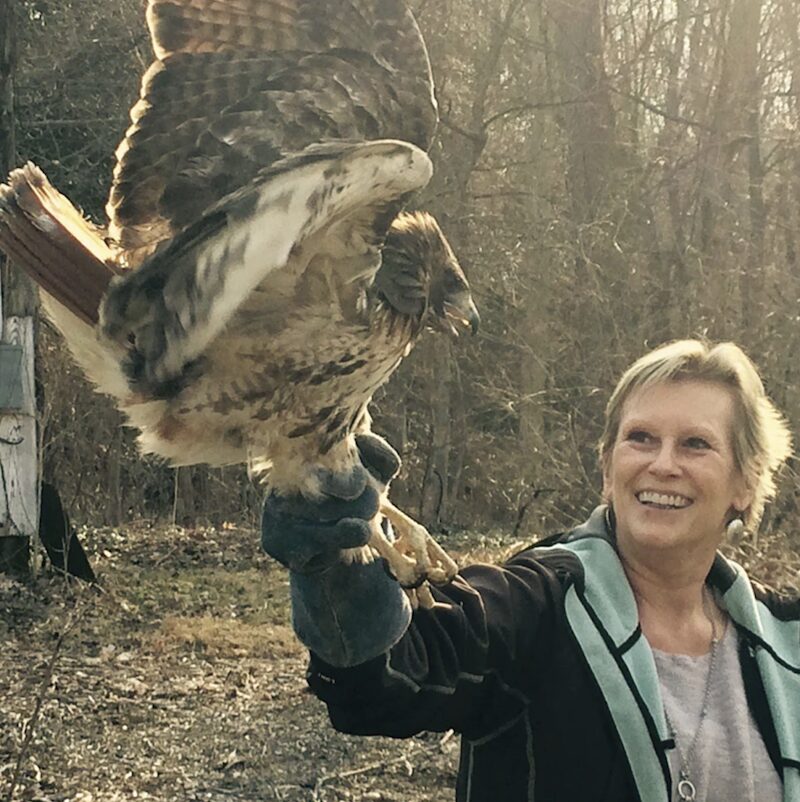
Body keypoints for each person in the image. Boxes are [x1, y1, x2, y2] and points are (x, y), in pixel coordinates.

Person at [262, 339, 800, 802]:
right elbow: (393, 673)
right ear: (608, 468)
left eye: (695, 444)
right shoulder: (537, 603)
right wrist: (336, 567)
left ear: (746, 483)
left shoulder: (787, 639)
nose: (662, 464)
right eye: (640, 438)